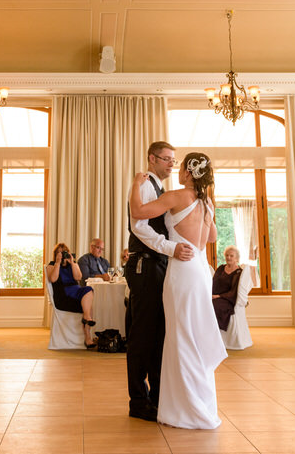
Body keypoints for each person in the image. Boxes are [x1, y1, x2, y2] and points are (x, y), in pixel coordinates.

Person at [130, 152, 225, 430]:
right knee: (194, 334)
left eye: (180, 166)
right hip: (200, 269)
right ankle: (200, 403)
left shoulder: (177, 195)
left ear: (187, 172)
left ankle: (185, 409)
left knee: (181, 336)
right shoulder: (207, 202)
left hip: (182, 270)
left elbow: (138, 213)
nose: (177, 169)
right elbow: (212, 237)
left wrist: (136, 184)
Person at [124, 141, 194, 423]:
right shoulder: (143, 184)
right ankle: (139, 402)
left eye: (173, 161)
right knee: (143, 336)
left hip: (159, 265)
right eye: (165, 159)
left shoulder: (161, 189)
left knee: (157, 335)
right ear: (151, 158)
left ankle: (155, 398)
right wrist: (171, 248)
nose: (170, 164)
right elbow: (138, 226)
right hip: (145, 265)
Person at [47, 242, 96, 348]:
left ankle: (86, 320)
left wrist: (73, 263)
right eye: (59, 252)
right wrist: (58, 263)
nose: (62, 255)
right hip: (64, 297)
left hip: (76, 292)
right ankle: (88, 338)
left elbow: (78, 277)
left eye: (64, 252)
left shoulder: (72, 264)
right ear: (55, 254)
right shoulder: (52, 265)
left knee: (88, 289)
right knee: (88, 308)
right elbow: (53, 279)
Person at [212, 246, 242, 332]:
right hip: (215, 296)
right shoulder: (221, 268)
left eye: (231, 256)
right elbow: (213, 283)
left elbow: (234, 291)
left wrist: (218, 296)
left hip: (227, 300)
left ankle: (215, 333)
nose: (228, 257)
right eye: (227, 255)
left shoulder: (238, 272)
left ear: (237, 258)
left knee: (214, 306)